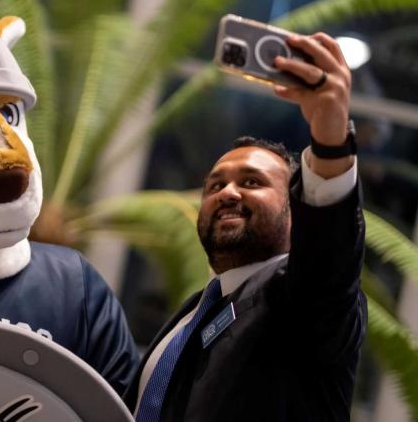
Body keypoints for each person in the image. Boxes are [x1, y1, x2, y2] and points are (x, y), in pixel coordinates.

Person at [127, 33, 366, 421]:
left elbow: (328, 257)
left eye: (252, 182)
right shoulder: (192, 316)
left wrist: (331, 141)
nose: (227, 193)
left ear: (296, 204)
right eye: (215, 185)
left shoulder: (303, 301)